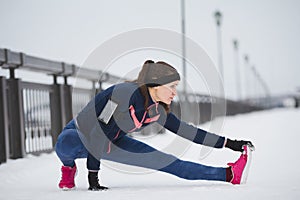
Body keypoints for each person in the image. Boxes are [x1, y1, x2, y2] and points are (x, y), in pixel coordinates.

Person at [55, 60, 254, 191]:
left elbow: (188, 132)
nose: (175, 92)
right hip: (82, 134)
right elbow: (98, 133)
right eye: (172, 87)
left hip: (111, 142)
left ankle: (228, 174)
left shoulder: (157, 110)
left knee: (169, 162)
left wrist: (230, 144)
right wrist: (93, 177)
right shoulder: (123, 94)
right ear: (157, 84)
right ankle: (68, 168)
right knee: (65, 143)